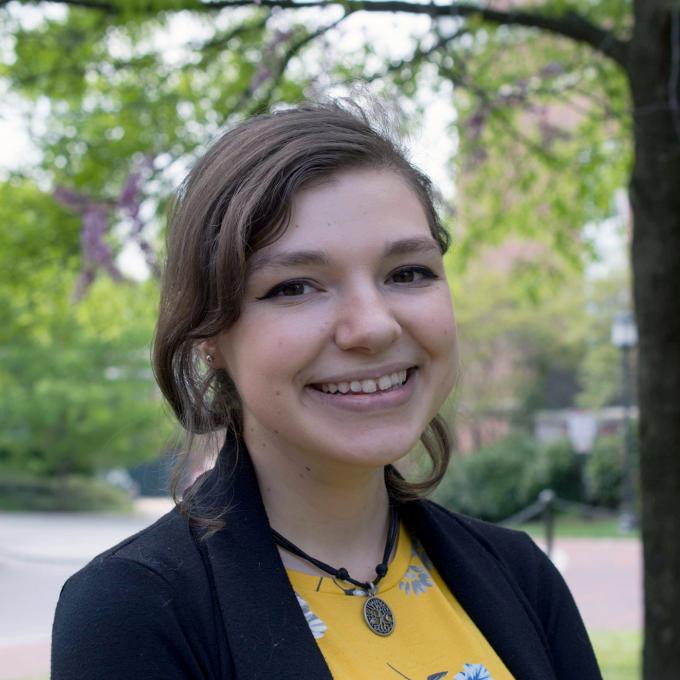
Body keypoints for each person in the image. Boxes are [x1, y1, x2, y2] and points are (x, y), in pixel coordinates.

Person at [51, 101, 601, 680]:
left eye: (408, 272)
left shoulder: (521, 575)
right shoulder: (134, 609)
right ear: (210, 333)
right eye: (295, 286)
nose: (373, 326)